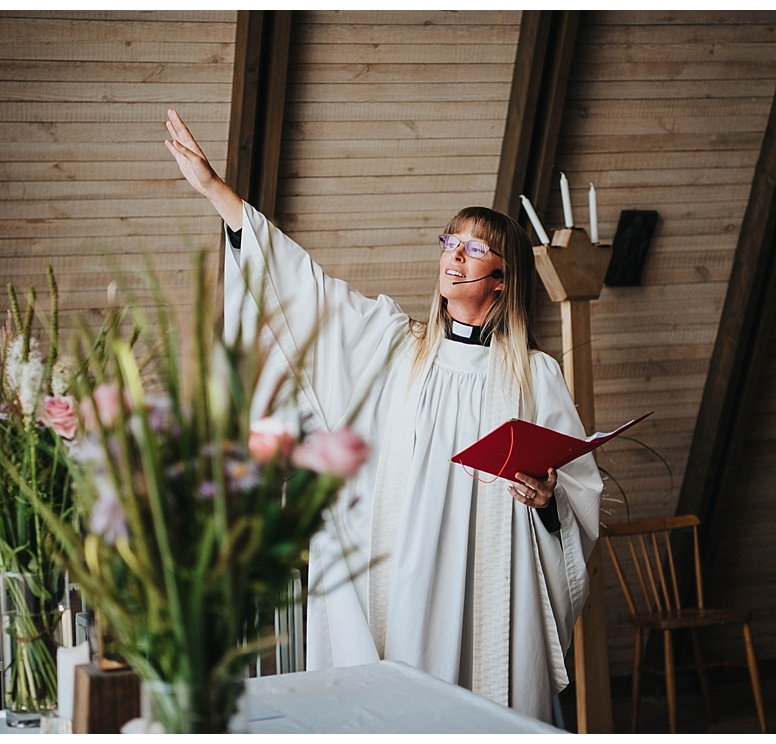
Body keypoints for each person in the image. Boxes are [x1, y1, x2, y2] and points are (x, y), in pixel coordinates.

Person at [163, 110, 601, 723]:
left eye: (475, 249)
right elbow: (306, 294)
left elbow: (576, 495)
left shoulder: (535, 376)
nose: (455, 256)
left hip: (486, 582)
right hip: (400, 578)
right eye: (449, 241)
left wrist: (548, 497)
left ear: (502, 280)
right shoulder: (397, 347)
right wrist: (219, 194)